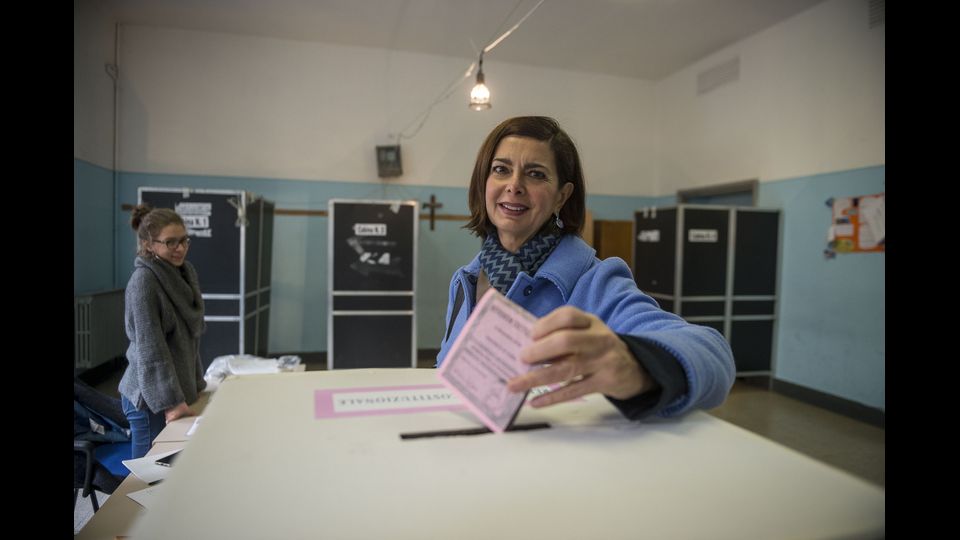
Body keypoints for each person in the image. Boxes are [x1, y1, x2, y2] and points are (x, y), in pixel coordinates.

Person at [436, 116, 735, 419]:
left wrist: (639, 366)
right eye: (501, 170)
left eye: (536, 174)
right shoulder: (466, 279)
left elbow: (713, 353)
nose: (514, 186)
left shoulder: (594, 281)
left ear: (561, 197)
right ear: (484, 182)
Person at [119, 205, 207, 458]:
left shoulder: (185, 272)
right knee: (147, 474)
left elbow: (188, 338)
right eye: (170, 242)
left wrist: (196, 383)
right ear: (149, 244)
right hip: (149, 396)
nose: (180, 248)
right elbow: (151, 350)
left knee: (171, 466)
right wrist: (171, 401)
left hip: (175, 388)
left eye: (183, 241)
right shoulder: (144, 282)